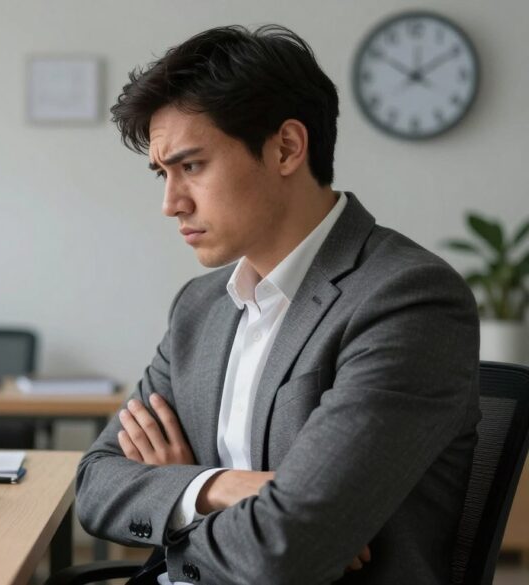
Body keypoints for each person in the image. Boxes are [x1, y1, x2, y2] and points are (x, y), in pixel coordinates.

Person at [75, 24, 480, 585]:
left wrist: (178, 497)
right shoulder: (200, 307)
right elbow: (95, 483)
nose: (171, 203)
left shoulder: (407, 299)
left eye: (191, 166)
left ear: (286, 147)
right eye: (162, 173)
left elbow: (287, 548)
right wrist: (217, 487)